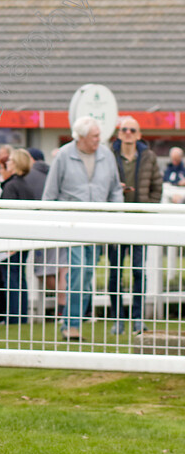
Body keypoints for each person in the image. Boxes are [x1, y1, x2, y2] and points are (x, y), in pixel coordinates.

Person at [43, 116, 123, 340]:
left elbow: (115, 189)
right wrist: (51, 222)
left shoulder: (106, 155)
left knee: (88, 274)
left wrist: (117, 215)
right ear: (81, 137)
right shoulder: (64, 156)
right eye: (95, 136)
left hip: (97, 224)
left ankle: (73, 320)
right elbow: (50, 193)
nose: (99, 140)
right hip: (72, 224)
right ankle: (71, 325)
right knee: (77, 270)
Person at [107, 116, 162, 334]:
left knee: (139, 271)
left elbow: (157, 187)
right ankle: (118, 320)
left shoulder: (149, 157)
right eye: (124, 129)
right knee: (115, 273)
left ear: (139, 134)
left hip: (140, 221)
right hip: (116, 222)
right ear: (119, 134)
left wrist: (147, 208)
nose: (128, 133)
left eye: (132, 129)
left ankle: (138, 318)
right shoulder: (109, 156)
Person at [0, 149, 36, 324]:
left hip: (12, 239)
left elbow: (6, 215)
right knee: (19, 278)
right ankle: (20, 316)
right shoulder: (26, 185)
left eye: (10, 160)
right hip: (23, 238)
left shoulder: (11, 186)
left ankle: (13, 317)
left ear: (16, 163)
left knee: (11, 277)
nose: (7, 163)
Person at [26, 147, 68, 319]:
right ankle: (67, 305)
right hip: (62, 225)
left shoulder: (28, 176)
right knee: (63, 269)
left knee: (47, 271)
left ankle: (65, 306)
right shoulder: (53, 173)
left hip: (45, 226)